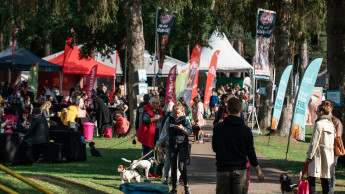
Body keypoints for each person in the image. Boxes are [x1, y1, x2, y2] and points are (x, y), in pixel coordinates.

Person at [212, 97, 264, 193]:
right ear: (241, 109)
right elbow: (250, 152)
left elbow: (215, 148)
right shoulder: (246, 130)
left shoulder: (218, 128)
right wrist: (258, 171)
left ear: (227, 110)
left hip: (223, 169)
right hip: (240, 170)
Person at [155, 102, 192, 194]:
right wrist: (157, 144)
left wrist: (182, 128)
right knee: (173, 167)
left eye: (178, 113)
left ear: (182, 111)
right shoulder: (169, 119)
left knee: (181, 166)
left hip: (183, 144)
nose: (176, 115)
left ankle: (186, 186)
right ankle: (174, 188)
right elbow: (164, 133)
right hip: (172, 144)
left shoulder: (186, 119)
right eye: (175, 113)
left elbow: (189, 131)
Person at [306, 103, 335, 194]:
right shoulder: (331, 124)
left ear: (321, 112)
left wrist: (309, 156)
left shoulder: (319, 124)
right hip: (328, 155)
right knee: (325, 179)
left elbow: (314, 142)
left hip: (318, 155)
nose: (316, 113)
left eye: (317, 111)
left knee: (311, 178)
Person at [136, 96, 163, 178]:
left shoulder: (159, 111)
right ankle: (146, 173)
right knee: (147, 155)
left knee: (154, 155)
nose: (155, 104)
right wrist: (153, 119)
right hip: (147, 137)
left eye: (157, 103)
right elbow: (144, 120)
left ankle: (151, 171)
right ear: (150, 103)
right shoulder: (146, 111)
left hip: (156, 136)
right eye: (153, 103)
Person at [322, 100, 343, 193]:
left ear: (330, 109)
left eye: (325, 106)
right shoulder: (322, 120)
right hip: (324, 150)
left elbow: (336, 139)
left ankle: (331, 191)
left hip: (333, 151)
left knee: (331, 172)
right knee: (324, 173)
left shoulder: (336, 122)